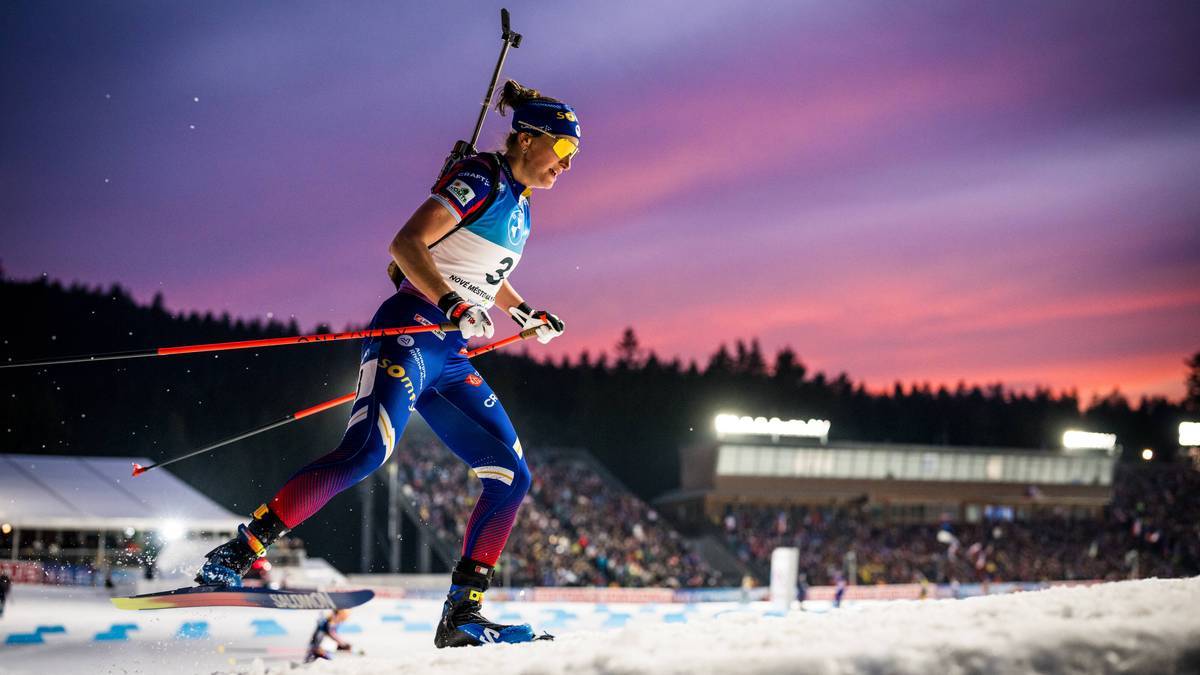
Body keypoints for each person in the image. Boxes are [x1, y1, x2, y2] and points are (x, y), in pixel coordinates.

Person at [193, 80, 578, 648]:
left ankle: (463, 613)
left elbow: (479, 265)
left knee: (511, 474)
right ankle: (242, 548)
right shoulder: (481, 178)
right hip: (412, 328)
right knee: (368, 452)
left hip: (449, 351)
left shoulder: (520, 207)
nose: (567, 165)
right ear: (526, 139)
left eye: (574, 155)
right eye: (563, 150)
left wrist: (523, 311)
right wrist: (451, 302)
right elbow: (406, 244)